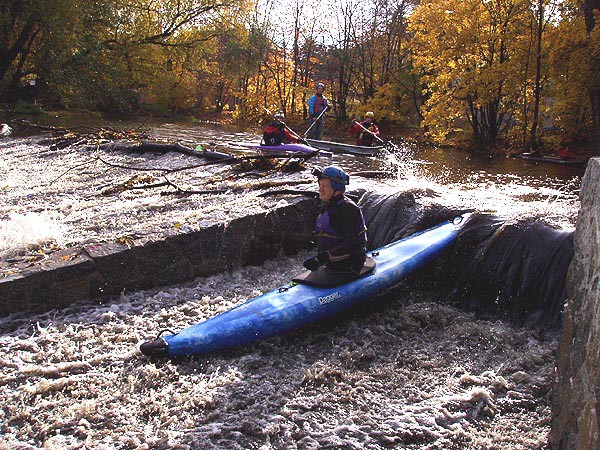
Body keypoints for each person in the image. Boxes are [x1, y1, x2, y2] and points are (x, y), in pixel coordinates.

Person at [303, 166, 367, 275]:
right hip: (331, 264)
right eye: (320, 185)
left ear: (337, 187)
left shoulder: (348, 209)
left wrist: (322, 258)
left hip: (349, 266)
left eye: (325, 185)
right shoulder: (328, 205)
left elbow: (352, 244)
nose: (320, 189)